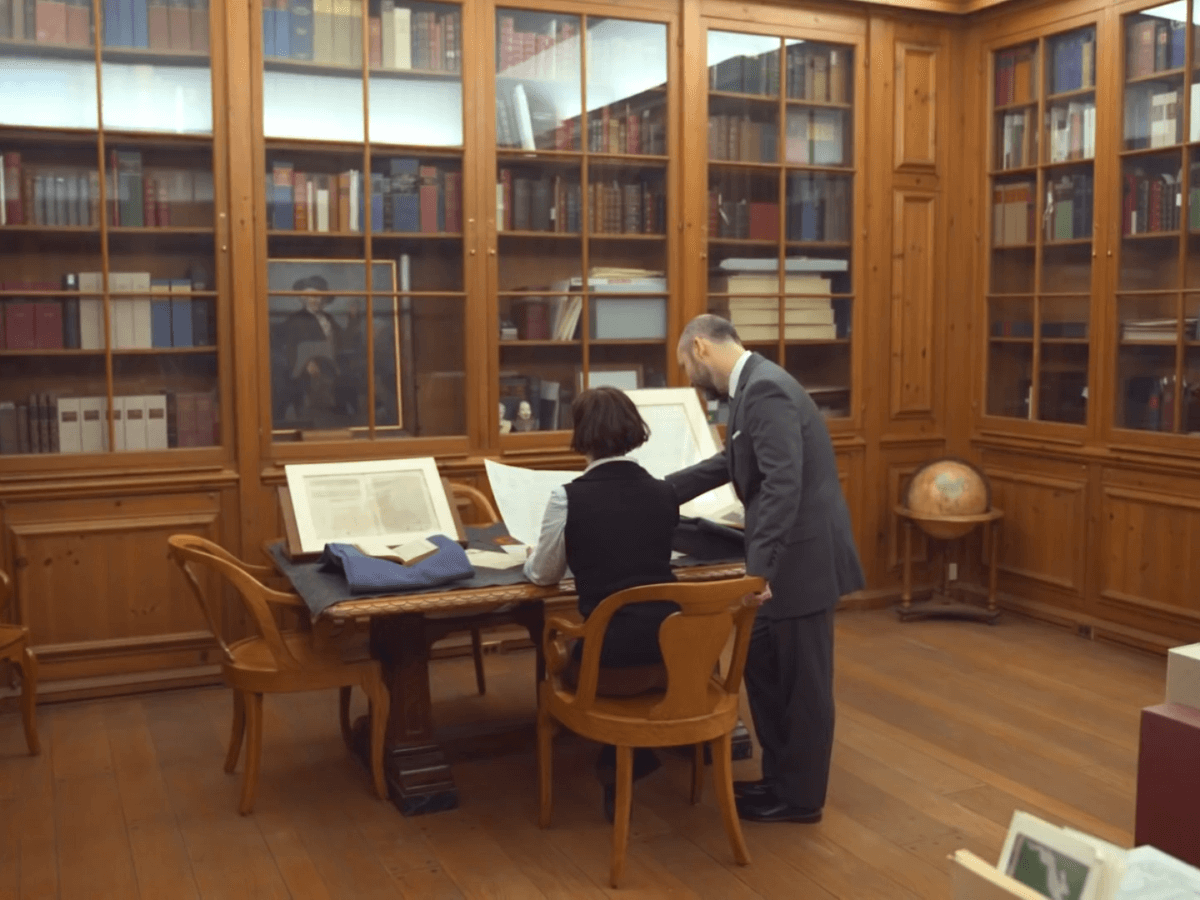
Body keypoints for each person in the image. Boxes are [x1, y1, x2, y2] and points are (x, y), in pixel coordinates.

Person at [666, 314, 865, 824]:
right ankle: (780, 780)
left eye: (687, 362)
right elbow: (728, 465)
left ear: (702, 347)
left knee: (804, 686)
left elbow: (781, 485)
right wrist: (657, 492)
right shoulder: (752, 387)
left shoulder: (767, 391)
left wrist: (759, 572)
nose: (689, 375)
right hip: (785, 558)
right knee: (763, 669)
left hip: (802, 561)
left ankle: (801, 800)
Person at [524, 386, 680, 821]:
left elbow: (543, 575)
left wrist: (530, 559)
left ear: (582, 434)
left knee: (594, 638)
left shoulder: (568, 497)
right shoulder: (665, 493)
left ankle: (619, 763)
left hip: (607, 665)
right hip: (671, 654)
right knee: (627, 627)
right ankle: (626, 761)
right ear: (634, 430)